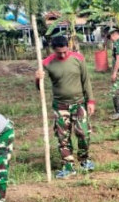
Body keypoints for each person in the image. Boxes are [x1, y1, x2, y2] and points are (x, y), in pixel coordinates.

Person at [35, 34, 96, 179]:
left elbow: (86, 81)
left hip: (79, 103)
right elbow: (40, 88)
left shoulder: (78, 58)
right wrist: (38, 78)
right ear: (53, 50)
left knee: (84, 133)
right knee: (63, 137)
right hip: (60, 106)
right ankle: (68, 166)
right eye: (59, 52)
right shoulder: (46, 63)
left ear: (68, 47)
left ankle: (84, 159)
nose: (62, 54)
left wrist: (91, 101)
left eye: (65, 51)